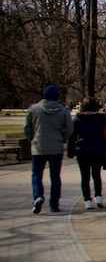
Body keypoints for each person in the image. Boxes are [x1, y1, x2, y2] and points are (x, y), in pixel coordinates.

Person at [24, 85, 73, 213]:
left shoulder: (33, 109)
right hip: (56, 147)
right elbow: (70, 128)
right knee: (55, 177)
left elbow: (27, 127)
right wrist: (63, 138)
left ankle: (38, 195)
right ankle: (54, 204)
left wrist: (31, 138)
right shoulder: (63, 111)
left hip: (38, 146)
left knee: (36, 175)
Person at [72, 97, 106, 209]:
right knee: (96, 174)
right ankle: (98, 197)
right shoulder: (102, 119)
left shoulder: (77, 120)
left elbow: (72, 137)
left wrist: (71, 150)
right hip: (98, 149)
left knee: (84, 176)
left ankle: (87, 200)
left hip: (82, 150)